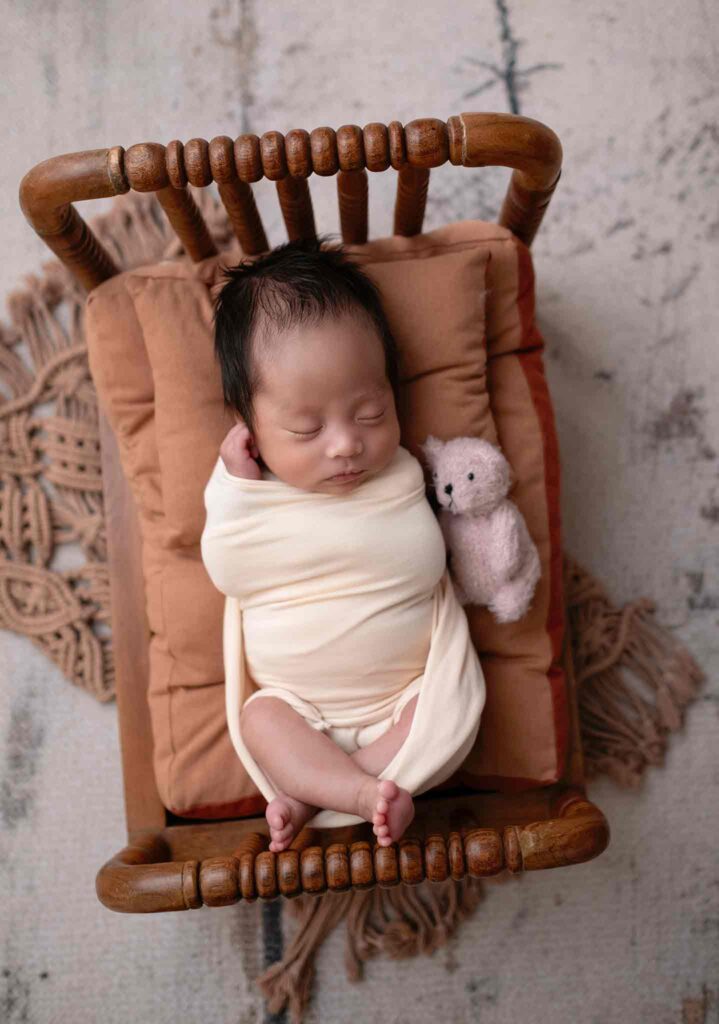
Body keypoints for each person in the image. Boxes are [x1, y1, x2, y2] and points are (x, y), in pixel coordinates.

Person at [200, 236, 486, 853]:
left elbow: (432, 554)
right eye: (306, 428)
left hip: (404, 697)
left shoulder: (402, 476)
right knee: (260, 720)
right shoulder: (249, 494)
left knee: (452, 703)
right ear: (247, 425)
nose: (346, 445)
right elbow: (229, 570)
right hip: (297, 707)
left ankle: (315, 791)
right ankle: (359, 792)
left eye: (371, 412)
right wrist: (237, 487)